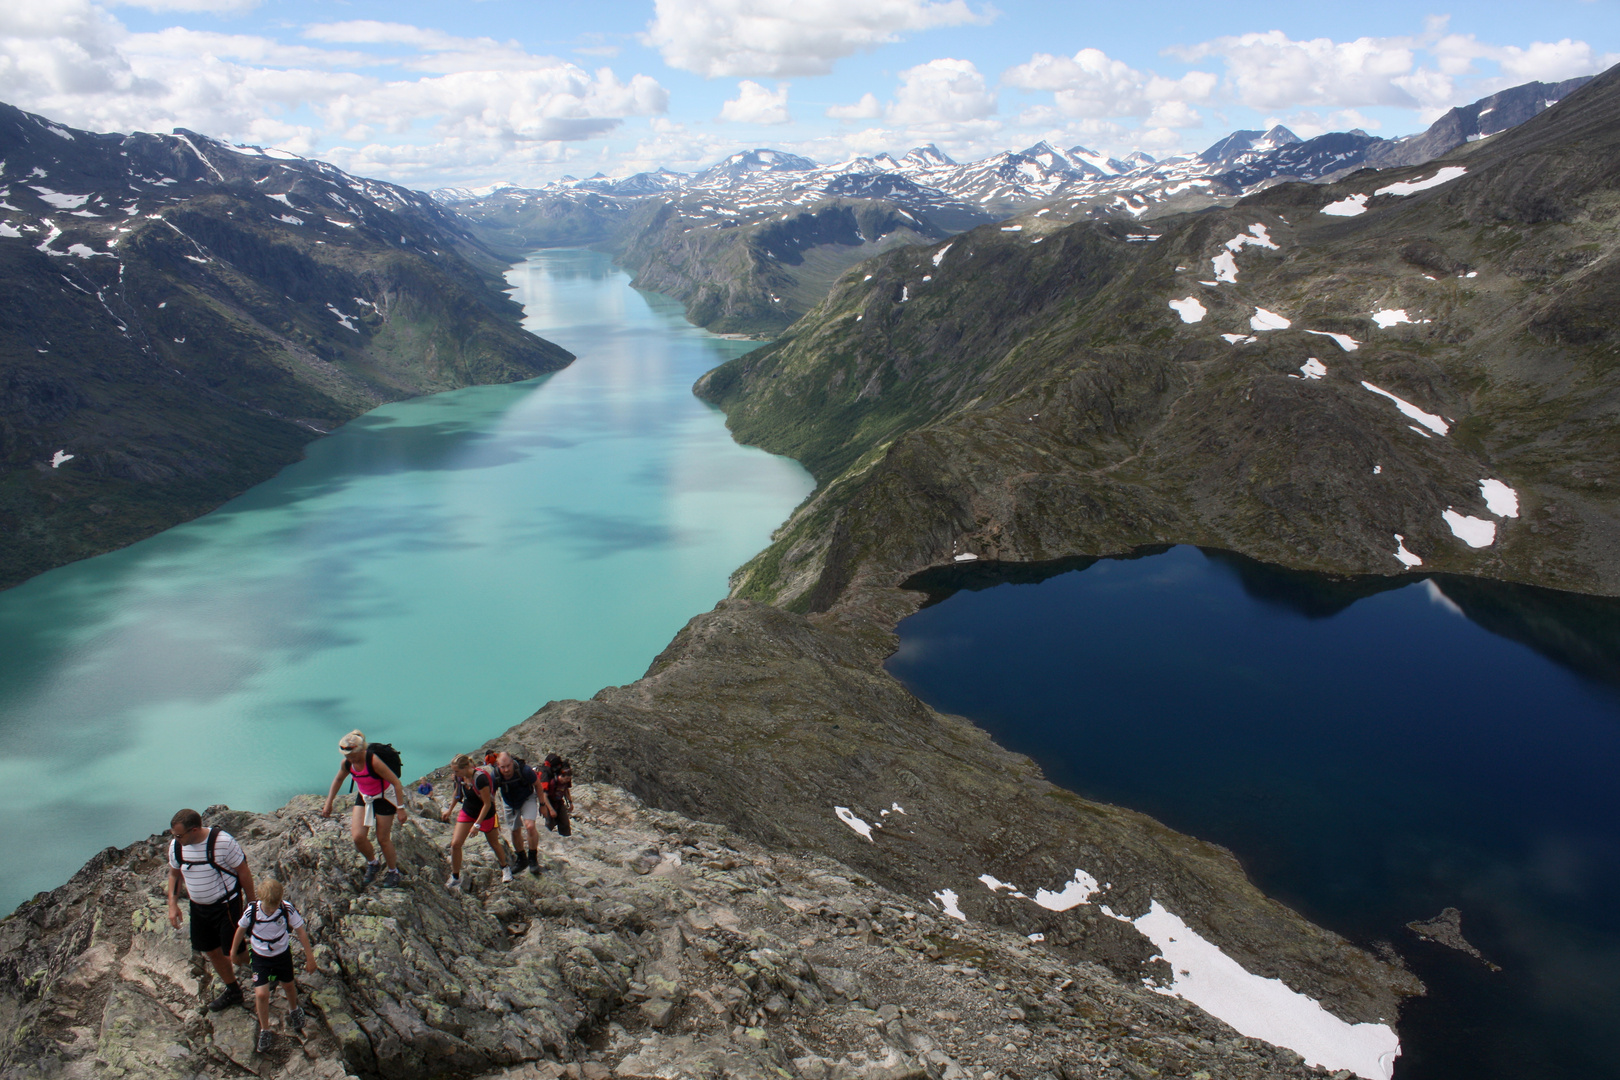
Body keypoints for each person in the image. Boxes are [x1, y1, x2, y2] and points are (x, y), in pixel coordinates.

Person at [166, 808, 257, 1012]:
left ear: (195, 830)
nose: (176, 839)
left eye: (179, 835)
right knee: (210, 950)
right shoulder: (177, 846)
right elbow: (174, 874)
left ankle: (268, 970)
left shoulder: (222, 842)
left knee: (237, 951)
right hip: (198, 908)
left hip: (226, 905)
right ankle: (233, 990)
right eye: (174, 835)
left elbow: (243, 871)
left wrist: (252, 904)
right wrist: (172, 904)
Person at [230, 878, 316, 1054]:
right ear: (262, 899)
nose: (272, 909)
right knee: (261, 994)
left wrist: (310, 957)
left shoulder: (286, 908)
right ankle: (265, 1030)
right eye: (269, 906)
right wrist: (234, 952)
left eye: (275, 905)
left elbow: (300, 931)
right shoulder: (252, 911)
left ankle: (294, 1009)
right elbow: (240, 930)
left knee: (289, 985)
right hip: (260, 957)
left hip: (281, 954)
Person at [321, 730, 409, 888]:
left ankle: (393, 871)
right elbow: (338, 779)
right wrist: (329, 802)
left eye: (352, 755)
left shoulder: (373, 761)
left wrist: (400, 808)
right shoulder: (347, 763)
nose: (349, 759)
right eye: (346, 756)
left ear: (361, 750)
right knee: (358, 837)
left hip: (384, 797)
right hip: (365, 796)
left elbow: (396, 782)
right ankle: (373, 863)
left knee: (383, 839)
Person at [441, 754, 510, 889]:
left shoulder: (480, 779)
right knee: (455, 844)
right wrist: (449, 810)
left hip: (485, 813)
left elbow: (487, 804)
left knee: (494, 843)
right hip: (468, 811)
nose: (455, 774)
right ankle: (455, 877)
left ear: (466, 767)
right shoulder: (459, 777)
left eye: (457, 771)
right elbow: (457, 793)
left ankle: (505, 868)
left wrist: (477, 825)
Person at [490, 752, 547, 877]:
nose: (505, 770)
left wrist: (542, 805)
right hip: (510, 802)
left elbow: (537, 785)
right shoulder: (495, 776)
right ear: (498, 766)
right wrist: (493, 818)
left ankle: (533, 859)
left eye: (508, 766)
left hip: (527, 798)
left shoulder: (524, 770)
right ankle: (522, 859)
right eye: (502, 767)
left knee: (530, 826)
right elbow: (491, 796)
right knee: (514, 831)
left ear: (512, 763)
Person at [539, 755, 574, 838]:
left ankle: (566, 838)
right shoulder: (551, 782)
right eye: (565, 779)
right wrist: (551, 810)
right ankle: (547, 838)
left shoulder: (564, 781)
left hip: (559, 802)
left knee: (565, 822)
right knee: (549, 823)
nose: (566, 781)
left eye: (568, 780)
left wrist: (570, 802)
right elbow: (544, 796)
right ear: (560, 776)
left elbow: (566, 790)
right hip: (549, 802)